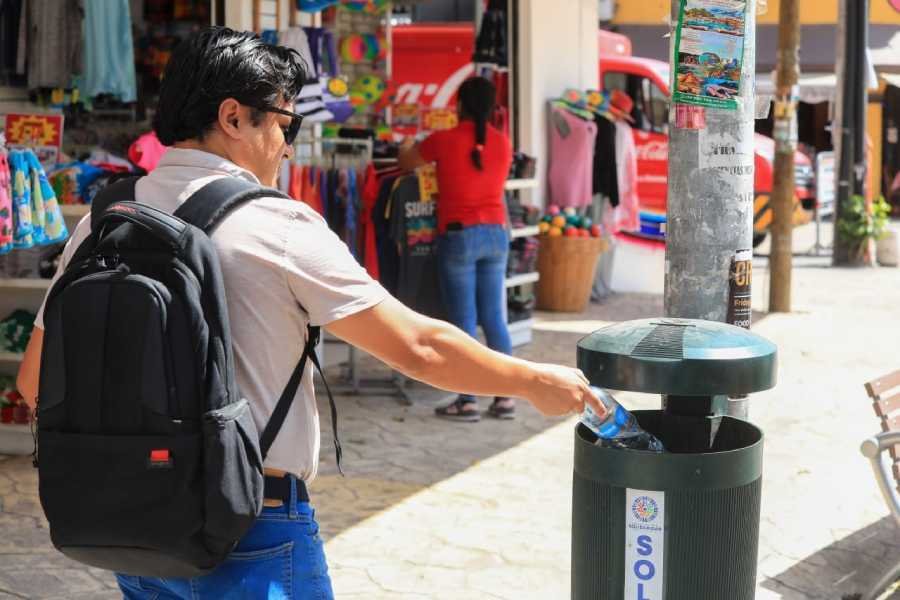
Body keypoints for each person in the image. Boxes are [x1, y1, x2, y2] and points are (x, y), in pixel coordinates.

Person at [15, 28, 603, 600]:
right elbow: (418, 347)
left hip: (130, 528)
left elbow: (34, 382)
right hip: (252, 527)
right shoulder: (276, 224)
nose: (290, 146)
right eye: (285, 123)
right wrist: (532, 380)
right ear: (233, 117)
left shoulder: (105, 218)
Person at [398, 76, 516, 422]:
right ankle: (505, 397)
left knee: (463, 321)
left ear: (459, 105)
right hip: (496, 233)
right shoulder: (502, 143)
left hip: (459, 234)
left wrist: (407, 142)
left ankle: (467, 400)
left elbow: (407, 162)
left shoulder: (443, 139)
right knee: (494, 317)